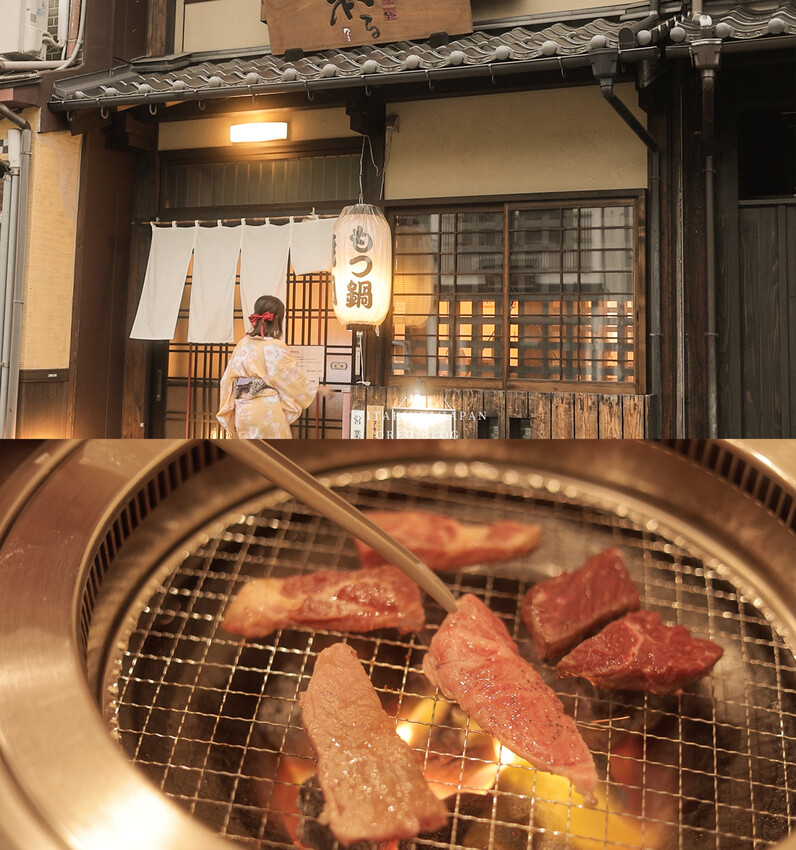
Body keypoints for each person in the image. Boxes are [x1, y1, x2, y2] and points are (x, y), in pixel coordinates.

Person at [216, 295, 322, 438]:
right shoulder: (274, 347)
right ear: (278, 319)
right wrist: (315, 389)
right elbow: (292, 379)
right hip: (266, 411)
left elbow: (226, 380)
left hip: (243, 412)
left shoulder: (243, 344)